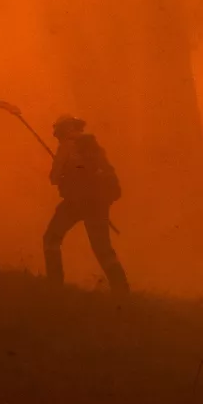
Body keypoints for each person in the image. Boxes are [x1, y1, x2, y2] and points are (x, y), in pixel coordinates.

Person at [43, 115, 128, 294]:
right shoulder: (94, 146)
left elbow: (54, 178)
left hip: (75, 203)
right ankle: (122, 290)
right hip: (98, 203)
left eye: (57, 130)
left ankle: (54, 285)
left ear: (64, 129)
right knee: (102, 248)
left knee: (51, 238)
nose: (55, 134)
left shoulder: (66, 146)